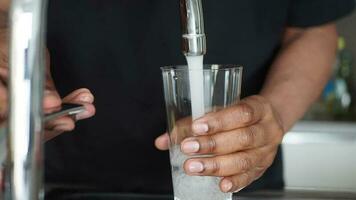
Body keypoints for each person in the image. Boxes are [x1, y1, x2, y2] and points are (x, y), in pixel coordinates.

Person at [0, 0, 355, 196]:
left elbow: (312, 29)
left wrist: (272, 114)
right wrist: (17, 63)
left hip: (239, 180)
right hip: (67, 181)